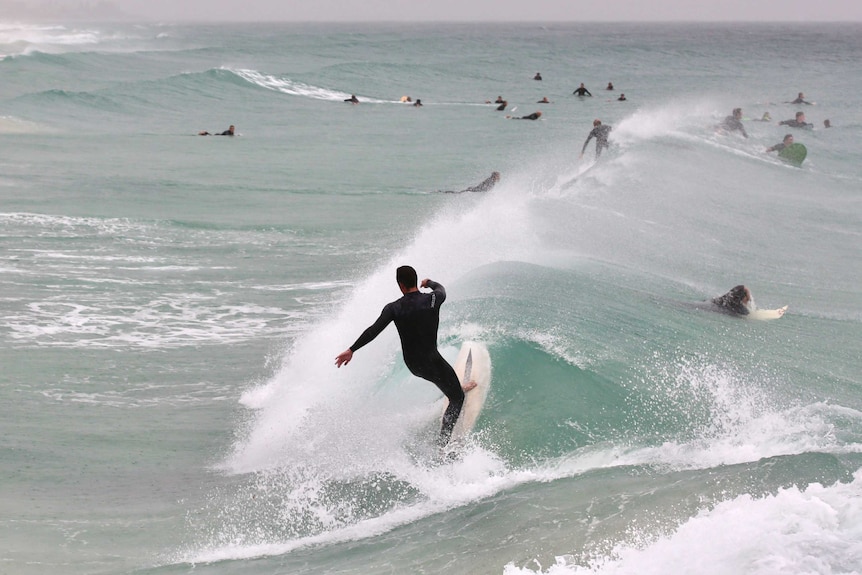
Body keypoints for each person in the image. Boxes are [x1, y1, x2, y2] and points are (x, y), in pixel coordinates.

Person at [335, 266, 476, 447]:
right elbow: (441, 289)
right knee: (457, 398)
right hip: (433, 360)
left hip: (414, 364)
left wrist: (352, 349)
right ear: (416, 282)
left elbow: (373, 331)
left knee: (443, 381)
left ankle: (453, 389)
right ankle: (443, 444)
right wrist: (429, 283)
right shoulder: (433, 299)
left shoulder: (394, 308)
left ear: (400, 285)